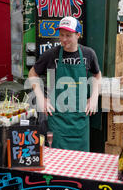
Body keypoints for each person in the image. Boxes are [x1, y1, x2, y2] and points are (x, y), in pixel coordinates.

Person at [28, 16, 101, 152]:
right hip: (57, 121)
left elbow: (97, 75)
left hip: (80, 122)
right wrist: (41, 98)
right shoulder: (51, 54)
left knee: (81, 163)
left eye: (68, 35)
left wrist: (94, 97)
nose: (64, 39)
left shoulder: (88, 54)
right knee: (58, 161)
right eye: (61, 35)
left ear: (78, 35)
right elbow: (33, 74)